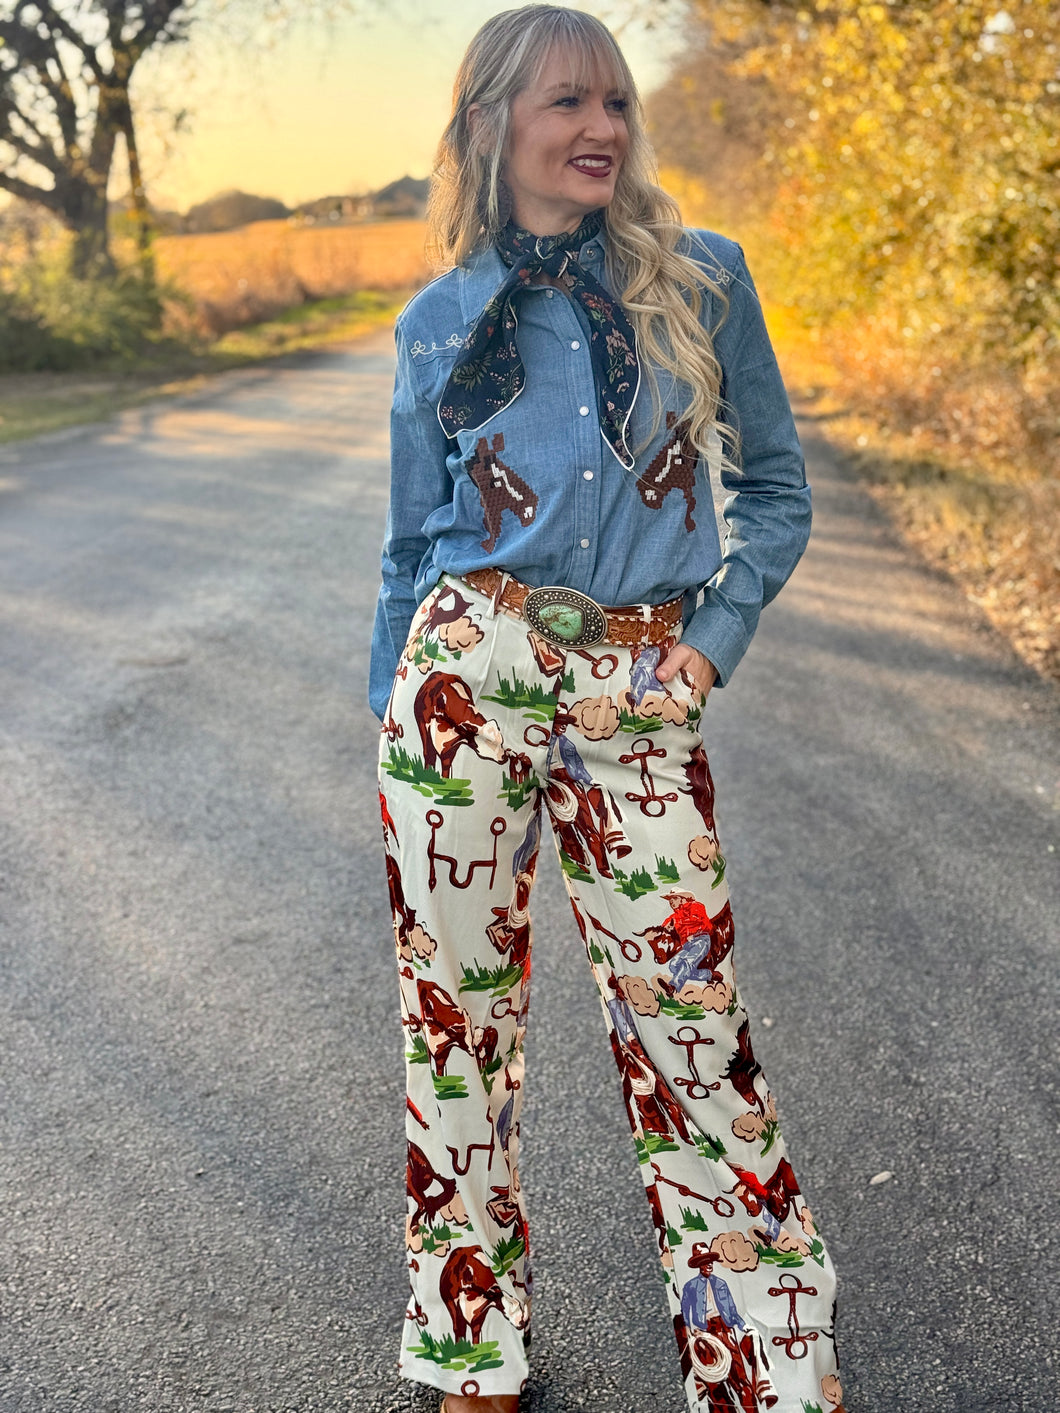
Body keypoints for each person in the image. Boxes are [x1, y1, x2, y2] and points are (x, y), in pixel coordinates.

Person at [369, 7, 845, 1412]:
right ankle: (470, 1341)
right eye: (567, 102)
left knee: (690, 1021)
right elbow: (407, 548)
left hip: (638, 682)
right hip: (465, 674)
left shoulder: (702, 277)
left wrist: (708, 645)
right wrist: (391, 721)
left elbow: (776, 488)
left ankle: (762, 1359)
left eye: (616, 103)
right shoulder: (438, 321)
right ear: (492, 123)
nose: (602, 129)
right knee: (455, 1024)